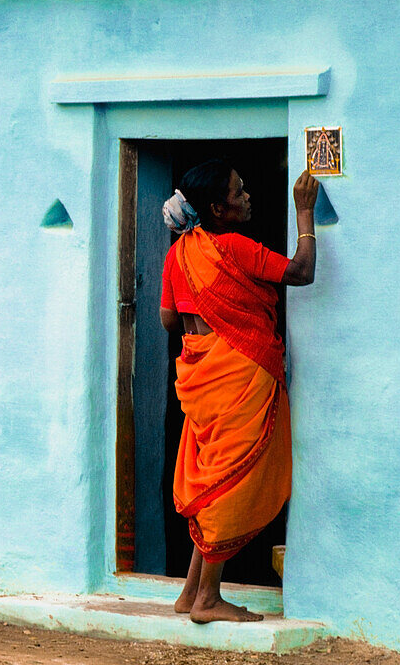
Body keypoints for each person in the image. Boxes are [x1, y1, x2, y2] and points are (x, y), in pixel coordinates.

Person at [159, 160, 320, 623]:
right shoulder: (235, 249)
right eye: (239, 191)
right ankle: (209, 599)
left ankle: (191, 592)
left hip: (200, 378)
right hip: (239, 377)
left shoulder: (177, 255)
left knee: (212, 480)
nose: (248, 195)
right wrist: (304, 213)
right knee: (232, 483)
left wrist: (203, 309)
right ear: (217, 208)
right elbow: (302, 272)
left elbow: (169, 321)